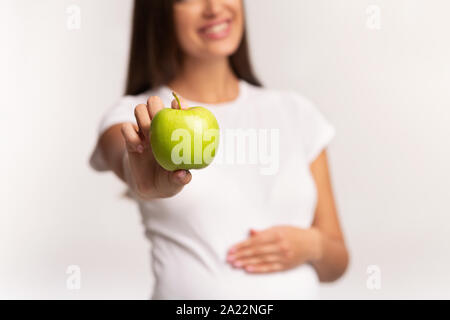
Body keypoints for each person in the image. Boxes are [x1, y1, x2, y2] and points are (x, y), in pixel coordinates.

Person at [89, 0, 349, 299]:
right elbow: (125, 155)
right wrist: (142, 179)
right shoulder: (137, 115)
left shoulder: (296, 112)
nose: (214, 7)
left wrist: (312, 245)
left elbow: (337, 263)